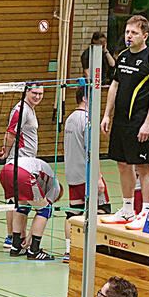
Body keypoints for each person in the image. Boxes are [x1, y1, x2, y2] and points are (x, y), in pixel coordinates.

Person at [102, 15, 149, 230]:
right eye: (127, 32)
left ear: (145, 35)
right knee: (122, 164)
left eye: (134, 33)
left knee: (142, 167)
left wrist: (148, 123)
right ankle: (128, 209)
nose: (129, 36)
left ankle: (146, 212)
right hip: (120, 122)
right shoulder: (122, 57)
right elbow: (114, 86)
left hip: (139, 121)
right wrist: (107, 115)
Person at [61, 85, 112, 262]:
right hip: (87, 175)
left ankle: (69, 251)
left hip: (72, 174)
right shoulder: (88, 119)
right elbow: (92, 151)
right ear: (85, 98)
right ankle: (99, 251)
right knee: (103, 211)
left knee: (73, 214)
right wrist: (98, 178)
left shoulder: (70, 119)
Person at [0, 85, 44, 249]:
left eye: (40, 94)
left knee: (20, 202)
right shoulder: (21, 109)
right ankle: (11, 237)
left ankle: (17, 238)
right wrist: (6, 152)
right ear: (26, 92)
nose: (37, 96)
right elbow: (10, 133)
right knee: (14, 201)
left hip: (27, 162)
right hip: (20, 163)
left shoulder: (29, 109)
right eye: (34, 93)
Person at [0, 155, 62, 261]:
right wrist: (29, 238)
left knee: (22, 206)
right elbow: (44, 208)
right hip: (22, 173)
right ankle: (34, 250)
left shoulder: (44, 175)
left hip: (5, 171)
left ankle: (16, 246)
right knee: (45, 210)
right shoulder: (55, 188)